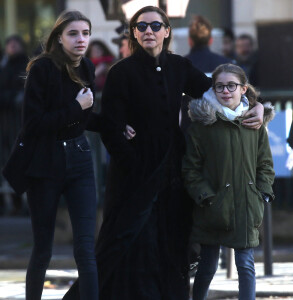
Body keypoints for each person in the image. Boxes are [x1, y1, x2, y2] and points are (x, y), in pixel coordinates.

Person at [64, 6, 264, 300]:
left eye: (156, 26)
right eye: (142, 26)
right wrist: (132, 165)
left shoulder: (179, 66)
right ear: (133, 32)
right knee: (126, 239)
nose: (149, 31)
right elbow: (111, 127)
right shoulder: (121, 72)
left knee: (171, 238)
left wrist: (257, 104)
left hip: (172, 169)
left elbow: (219, 89)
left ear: (167, 31)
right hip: (134, 171)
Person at [2, 10, 102, 300]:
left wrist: (118, 127)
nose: (81, 39)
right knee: (43, 247)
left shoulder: (87, 67)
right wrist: (76, 107)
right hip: (45, 162)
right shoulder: (42, 68)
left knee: (86, 247)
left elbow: (85, 117)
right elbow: (33, 124)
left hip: (80, 159)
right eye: (73, 33)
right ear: (59, 37)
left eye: (85, 33)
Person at [182, 63, 275, 300]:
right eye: (219, 86)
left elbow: (264, 164)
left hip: (246, 205)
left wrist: (261, 194)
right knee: (208, 267)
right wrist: (206, 197)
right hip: (212, 208)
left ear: (243, 89)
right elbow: (191, 169)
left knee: (246, 265)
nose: (225, 91)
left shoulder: (255, 125)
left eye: (231, 86)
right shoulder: (202, 126)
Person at [181, 15, 231, 133]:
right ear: (210, 40)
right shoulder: (227, 64)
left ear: (190, 41)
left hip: (190, 129)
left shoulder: (180, 65)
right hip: (222, 126)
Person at [0, 34, 28, 215]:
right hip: (4, 121)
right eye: (9, 43)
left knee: (18, 158)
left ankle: (21, 202)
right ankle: (6, 202)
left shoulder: (25, 65)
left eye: (15, 43)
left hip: (19, 121)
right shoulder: (3, 66)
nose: (11, 46)